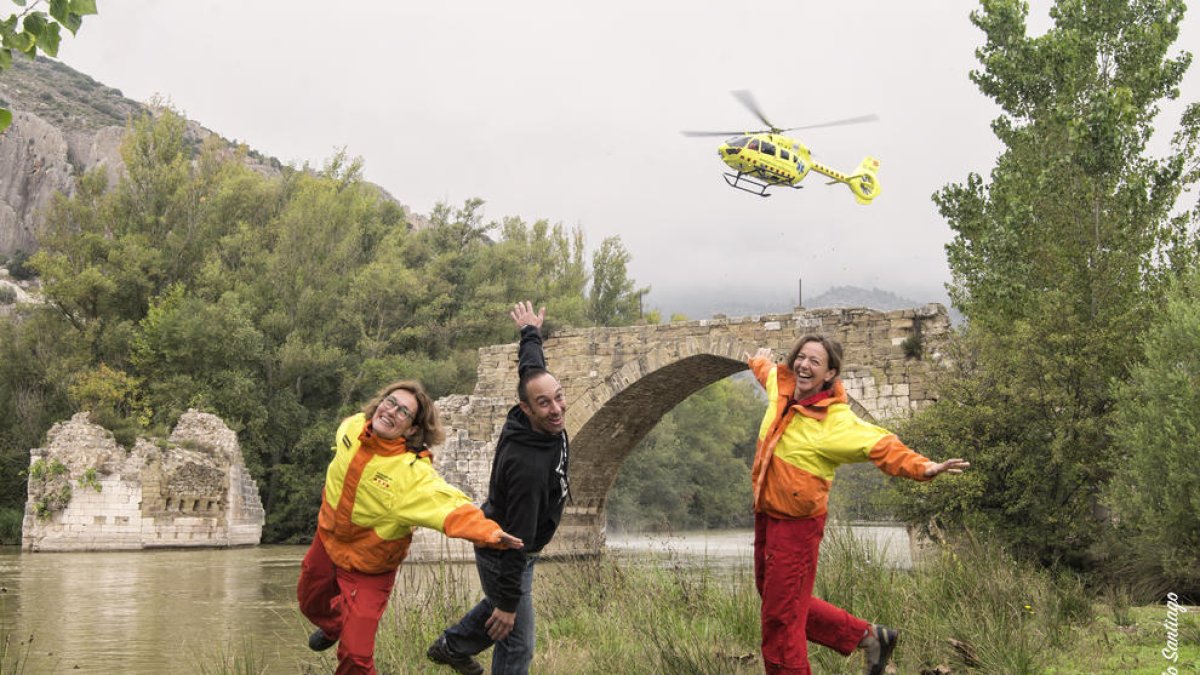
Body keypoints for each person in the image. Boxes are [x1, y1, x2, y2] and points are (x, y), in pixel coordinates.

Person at [747, 335, 969, 675]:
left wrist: (923, 467)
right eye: (801, 357)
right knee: (776, 598)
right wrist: (758, 361)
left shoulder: (836, 421)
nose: (804, 365)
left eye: (815, 362)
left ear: (829, 374)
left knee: (780, 619)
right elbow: (768, 374)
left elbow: (882, 444)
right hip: (767, 516)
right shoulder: (782, 385)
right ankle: (870, 637)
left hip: (797, 527)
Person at [297, 379, 524, 675]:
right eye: (390, 402)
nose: (391, 411)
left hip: (369, 566)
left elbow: (448, 504)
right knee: (309, 602)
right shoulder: (352, 427)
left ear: (413, 430)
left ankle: (349, 630)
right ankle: (335, 625)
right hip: (328, 542)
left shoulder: (412, 473)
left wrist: (489, 532)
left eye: (403, 412)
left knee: (355, 655)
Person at [427, 301, 569, 675]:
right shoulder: (527, 468)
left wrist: (530, 332)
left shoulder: (537, 406)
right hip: (504, 549)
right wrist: (507, 605)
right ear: (526, 408)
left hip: (517, 545)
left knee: (504, 611)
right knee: (517, 641)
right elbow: (516, 541)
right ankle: (455, 644)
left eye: (559, 396)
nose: (556, 409)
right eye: (545, 404)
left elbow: (531, 368)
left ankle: (452, 645)